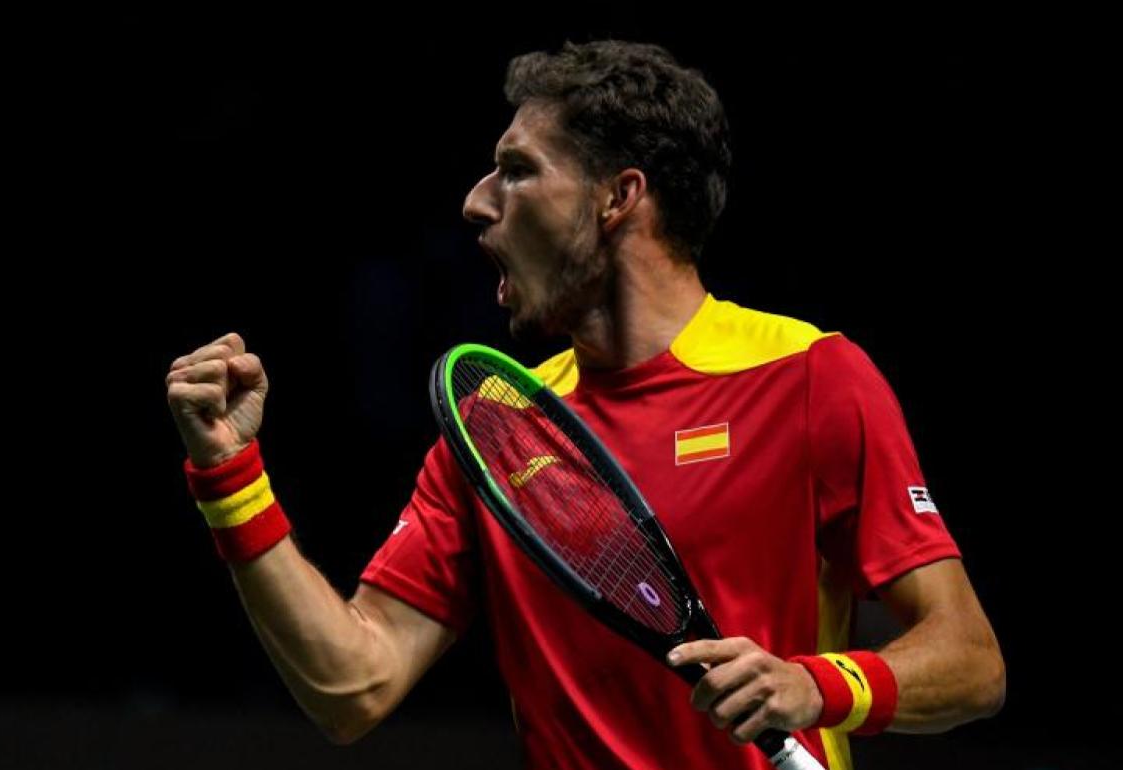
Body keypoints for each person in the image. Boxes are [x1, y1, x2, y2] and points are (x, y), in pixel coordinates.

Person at [165, 40, 1005, 770]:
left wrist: (817, 685)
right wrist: (229, 475)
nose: (477, 201)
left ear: (617, 197)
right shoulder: (499, 432)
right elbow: (353, 684)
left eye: (519, 170)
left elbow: (971, 662)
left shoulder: (809, 378)